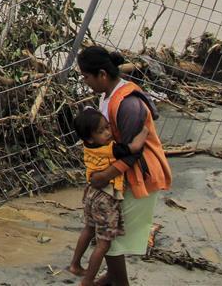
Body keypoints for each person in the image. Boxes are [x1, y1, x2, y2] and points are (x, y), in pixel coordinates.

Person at [76, 46, 172, 286]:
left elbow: (131, 153)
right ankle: (112, 281)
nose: (85, 82)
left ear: (102, 74)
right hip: (124, 176)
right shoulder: (107, 95)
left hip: (140, 175)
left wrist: (103, 176)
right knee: (110, 239)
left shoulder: (127, 104)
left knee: (111, 241)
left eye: (86, 77)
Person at [68, 108, 150, 285]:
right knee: (104, 244)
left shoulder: (88, 147)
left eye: (107, 127)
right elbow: (135, 147)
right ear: (90, 138)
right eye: (101, 131)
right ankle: (88, 280)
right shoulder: (109, 149)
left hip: (91, 193)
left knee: (89, 229)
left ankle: (75, 264)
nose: (107, 133)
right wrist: (145, 129)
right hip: (106, 197)